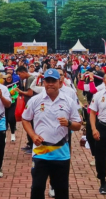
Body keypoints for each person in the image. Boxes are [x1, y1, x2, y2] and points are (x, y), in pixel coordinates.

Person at [22, 67, 82, 199]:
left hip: (61, 154)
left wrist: (69, 124)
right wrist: (33, 136)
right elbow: (25, 119)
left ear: (60, 83)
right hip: (40, 153)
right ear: (43, 82)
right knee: (37, 188)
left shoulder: (68, 101)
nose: (50, 84)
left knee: (61, 191)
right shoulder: (35, 100)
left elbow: (78, 125)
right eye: (47, 81)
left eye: (53, 81)